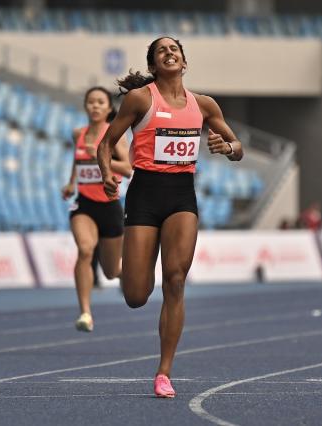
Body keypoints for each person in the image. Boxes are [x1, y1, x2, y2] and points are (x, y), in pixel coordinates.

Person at [97, 37, 243, 397]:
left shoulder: (205, 105)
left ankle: (164, 372)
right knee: (136, 294)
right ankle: (126, 269)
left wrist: (227, 148)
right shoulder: (140, 99)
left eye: (174, 49)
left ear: (184, 61)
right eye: (161, 50)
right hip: (145, 195)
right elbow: (105, 143)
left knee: (175, 281)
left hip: (181, 196)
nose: (169, 53)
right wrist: (106, 175)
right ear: (153, 65)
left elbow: (238, 148)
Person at [61, 87, 132, 332]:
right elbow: (77, 159)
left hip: (110, 206)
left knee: (111, 271)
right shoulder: (77, 133)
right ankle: (85, 313)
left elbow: (128, 168)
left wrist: (102, 158)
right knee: (85, 250)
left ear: (109, 108)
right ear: (85, 106)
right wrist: (71, 182)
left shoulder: (114, 136)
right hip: (84, 204)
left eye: (100, 102)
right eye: (91, 102)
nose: (95, 106)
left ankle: (123, 276)